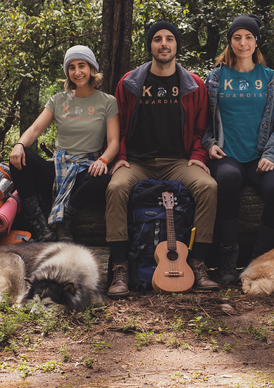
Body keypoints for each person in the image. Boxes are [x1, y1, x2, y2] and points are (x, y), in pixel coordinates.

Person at [105, 21, 219, 296]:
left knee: (208, 187)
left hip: (178, 162)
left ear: (177, 45)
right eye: (157, 39)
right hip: (137, 162)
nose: (164, 44)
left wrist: (197, 155)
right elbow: (117, 125)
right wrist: (119, 155)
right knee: (116, 188)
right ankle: (120, 268)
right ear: (151, 46)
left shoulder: (194, 85)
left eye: (169, 39)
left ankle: (198, 263)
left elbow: (202, 129)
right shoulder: (130, 82)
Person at [203, 15, 274, 284]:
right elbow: (202, 118)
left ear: (256, 42)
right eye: (237, 37)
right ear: (230, 42)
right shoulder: (217, 77)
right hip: (227, 155)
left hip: (261, 156)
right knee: (227, 179)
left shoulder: (271, 78)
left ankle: (261, 257)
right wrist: (210, 144)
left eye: (248, 37)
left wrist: (271, 154)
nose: (243, 43)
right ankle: (228, 255)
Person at [9, 46, 120, 242]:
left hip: (86, 169)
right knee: (19, 159)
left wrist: (103, 160)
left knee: (103, 178)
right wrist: (18, 145)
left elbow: (113, 143)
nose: (77, 72)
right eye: (72, 67)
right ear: (67, 72)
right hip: (59, 167)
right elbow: (35, 130)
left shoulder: (108, 102)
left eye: (82, 66)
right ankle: (40, 224)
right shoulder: (58, 100)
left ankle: (63, 219)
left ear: (92, 68)